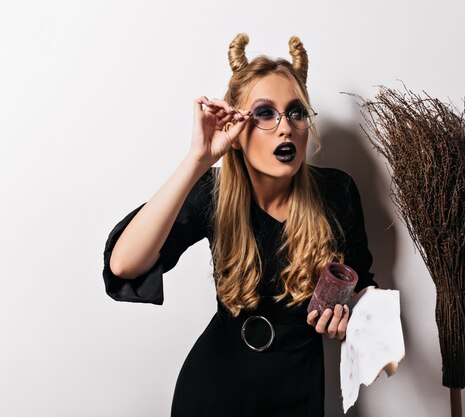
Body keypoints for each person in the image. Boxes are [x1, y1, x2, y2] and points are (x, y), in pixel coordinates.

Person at [102, 33, 377, 417]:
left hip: (300, 390)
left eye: (296, 112)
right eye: (265, 113)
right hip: (216, 387)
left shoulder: (337, 191)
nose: (285, 127)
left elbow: (362, 288)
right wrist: (197, 160)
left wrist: (346, 317)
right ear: (236, 129)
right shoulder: (214, 193)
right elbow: (124, 265)